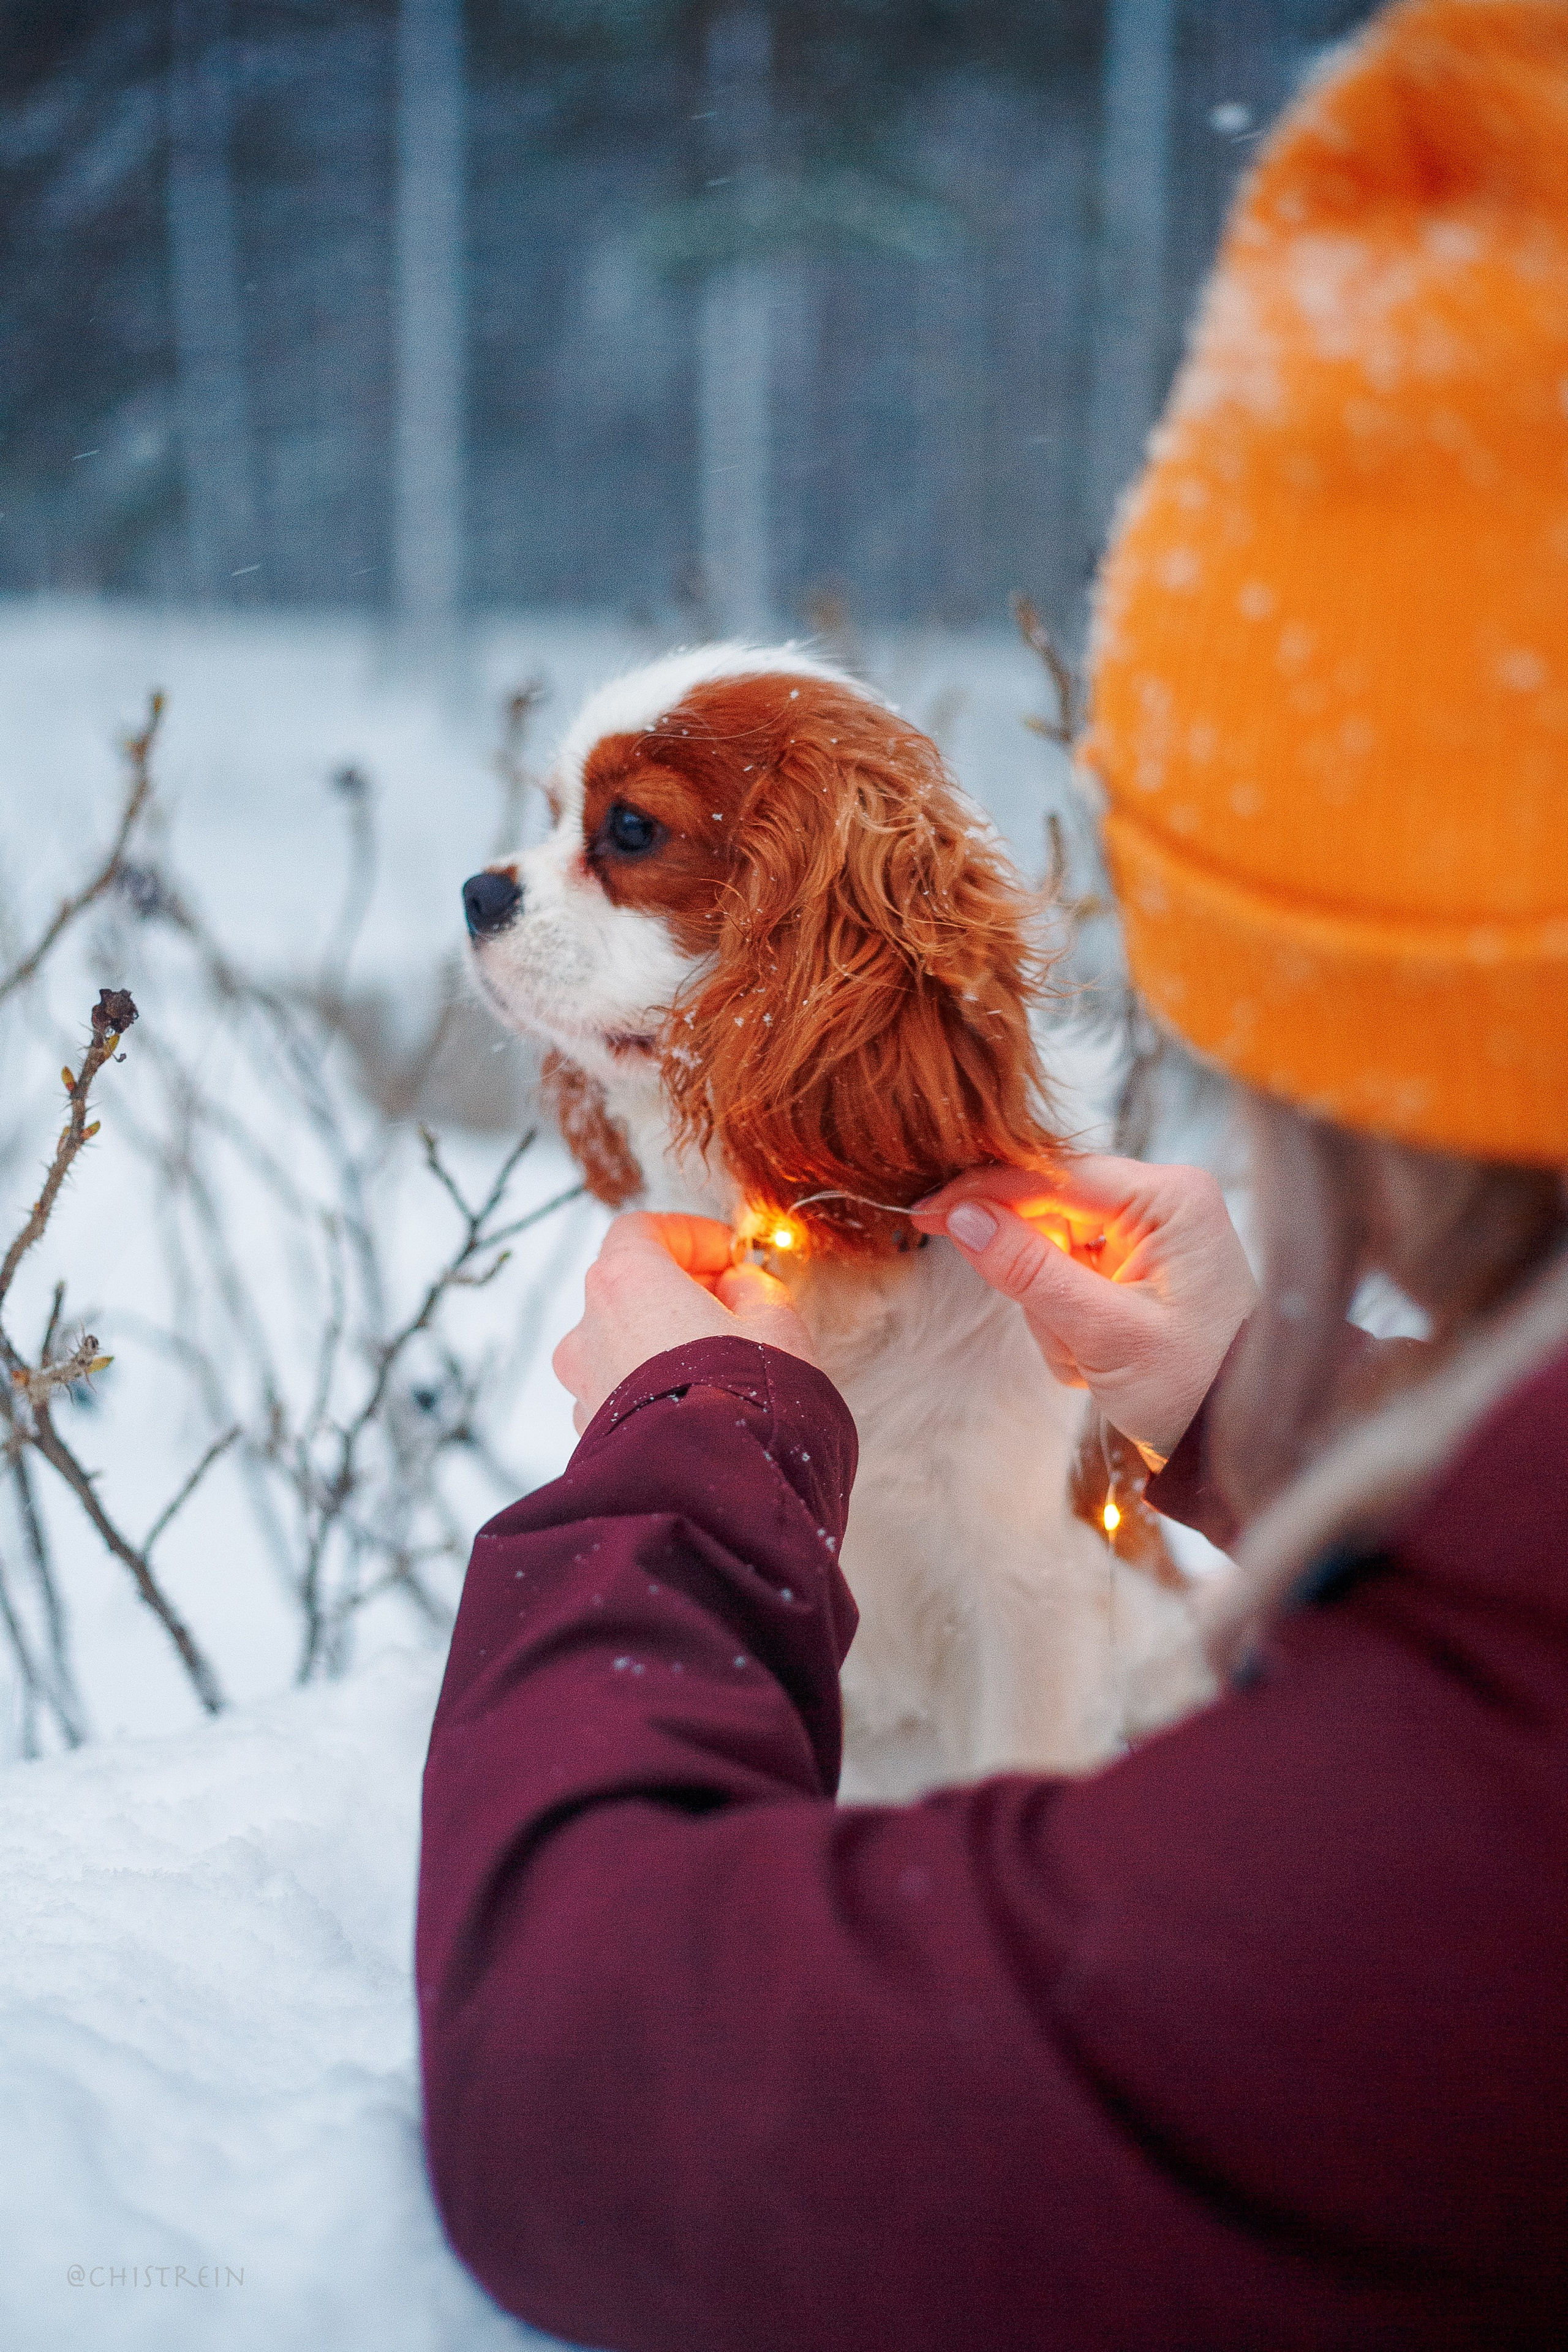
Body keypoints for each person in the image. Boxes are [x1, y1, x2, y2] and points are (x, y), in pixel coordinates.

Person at [417, 5, 1568, 2346]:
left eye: (632, 839)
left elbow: (596, 2095)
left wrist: (674, 1455)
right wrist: (1259, 1401)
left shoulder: (1468, 1865)